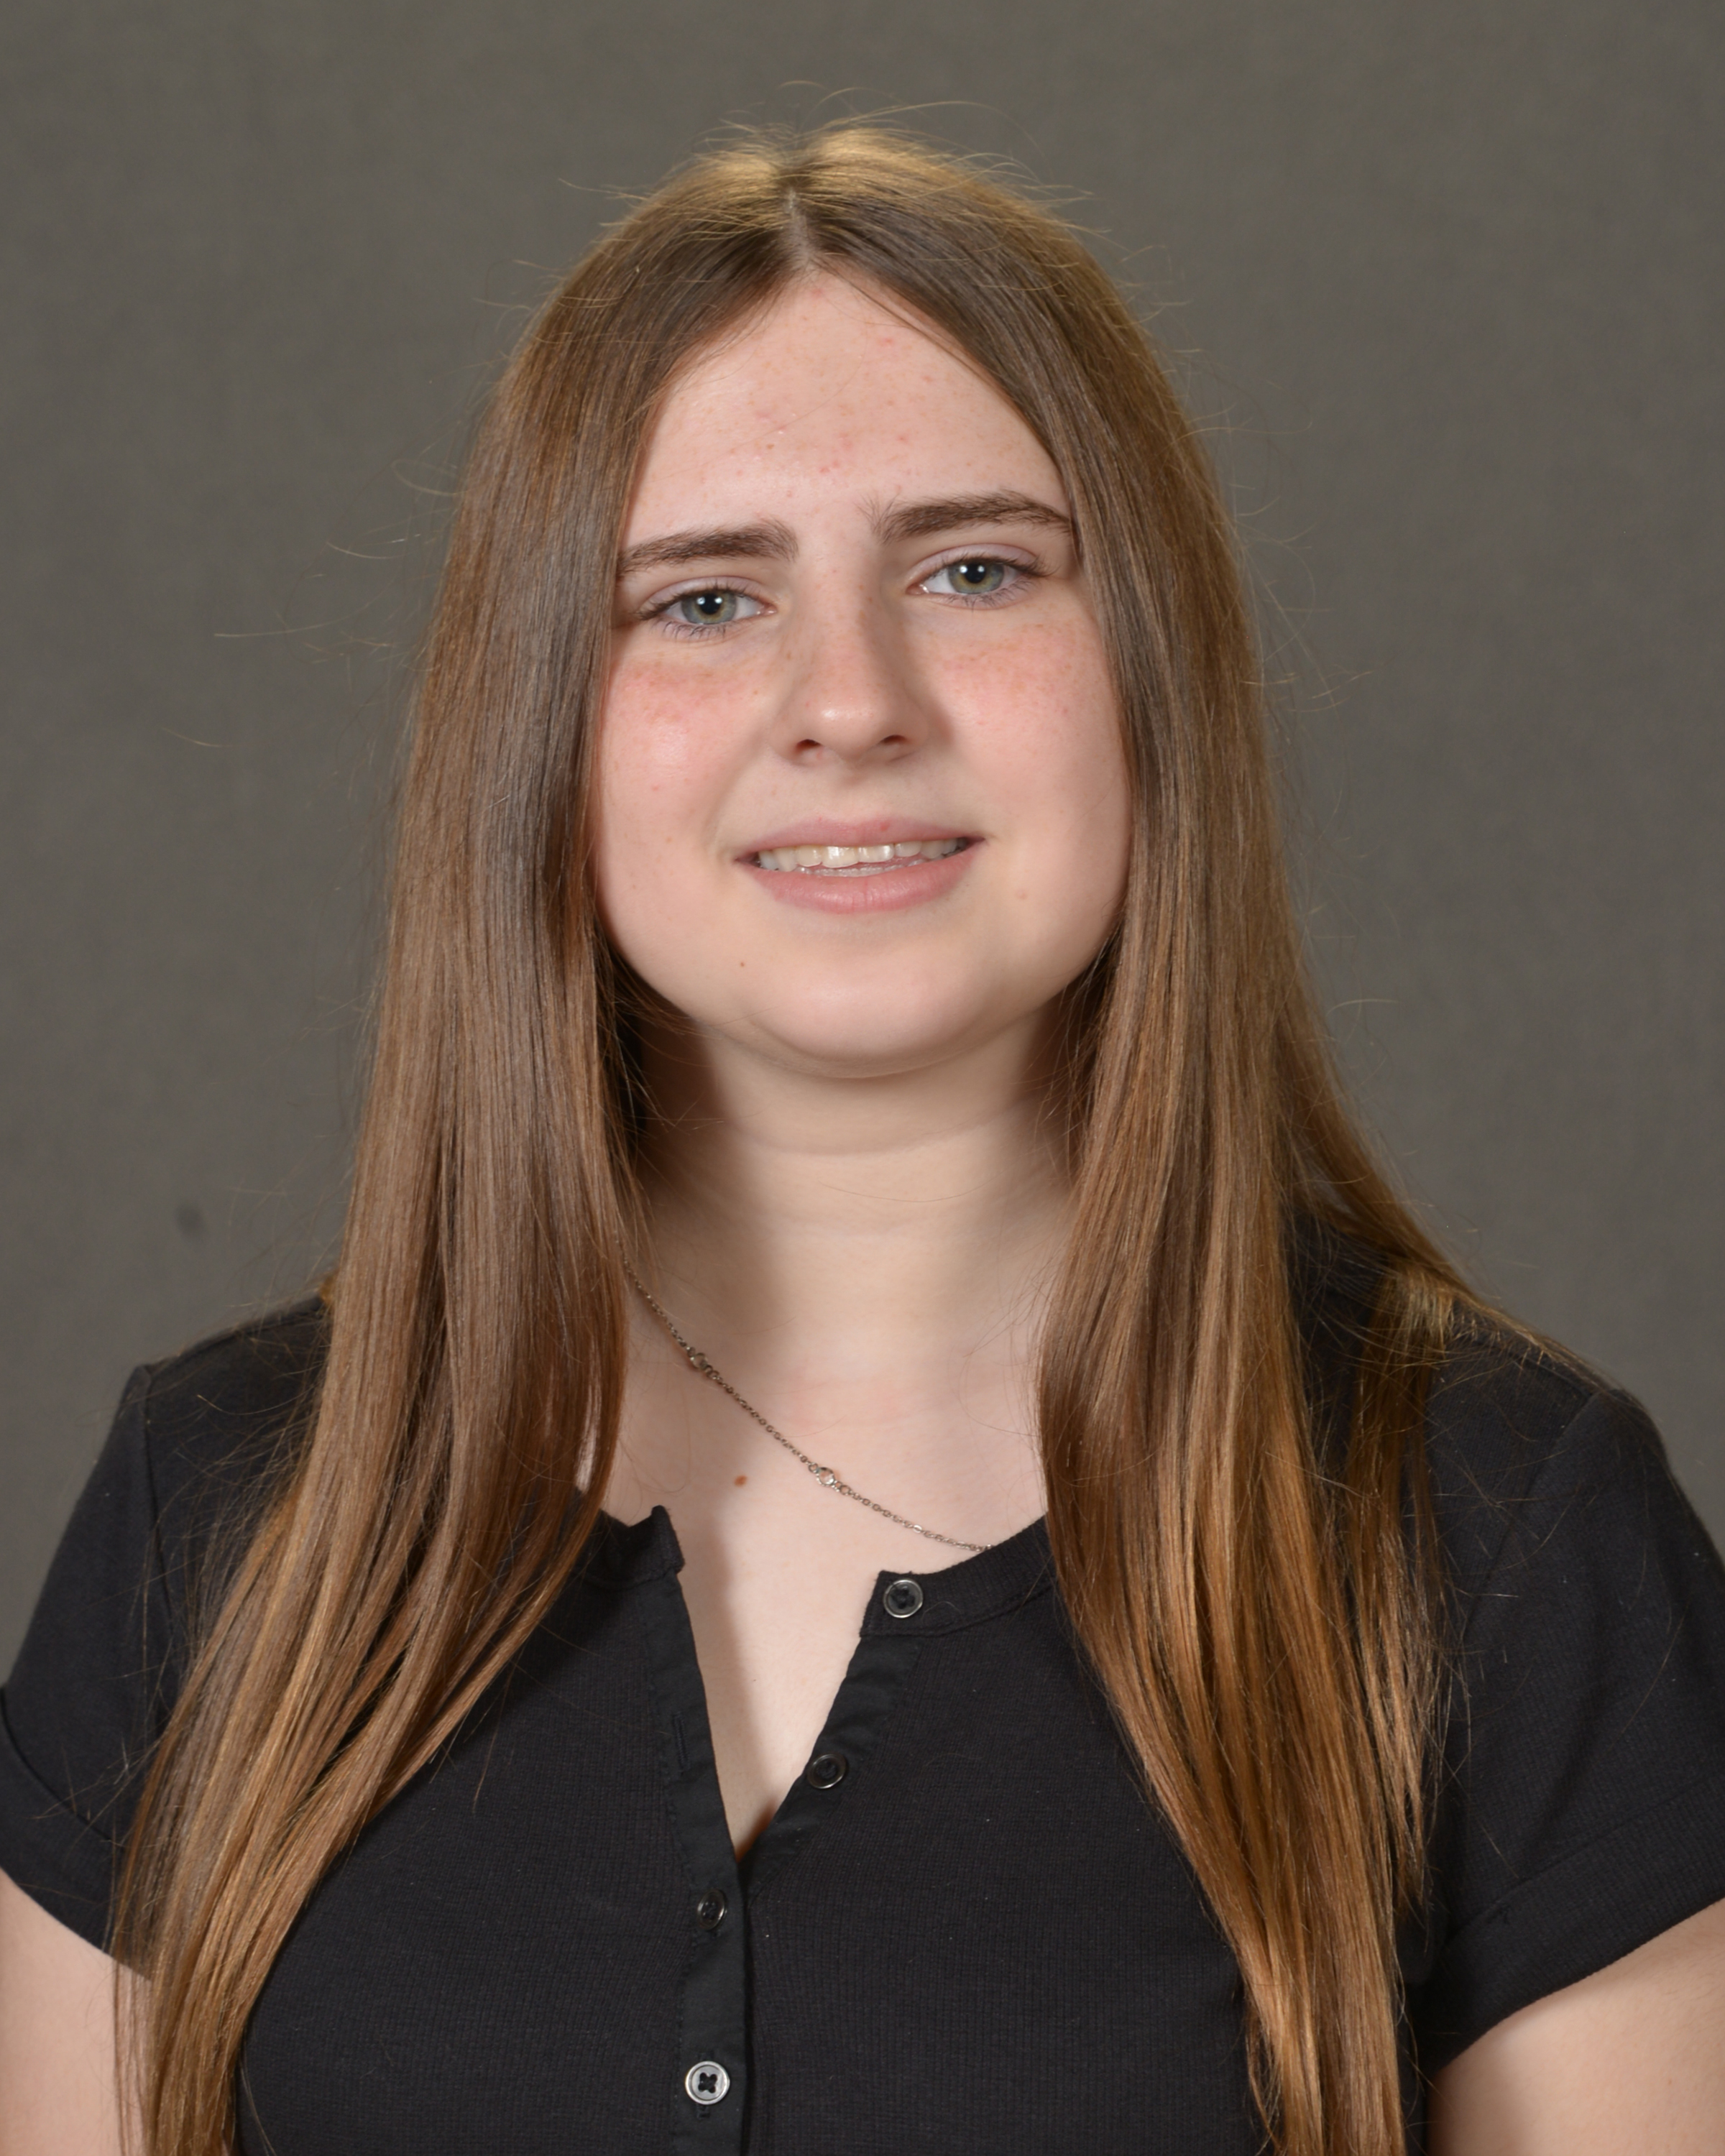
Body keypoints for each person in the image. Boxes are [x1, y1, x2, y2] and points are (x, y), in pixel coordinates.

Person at [2, 125, 1723, 2156]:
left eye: (973, 569)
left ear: (1152, 665)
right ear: (538, 727)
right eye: (705, 596)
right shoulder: (222, 1519)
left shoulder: (1504, 1538)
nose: (849, 702)